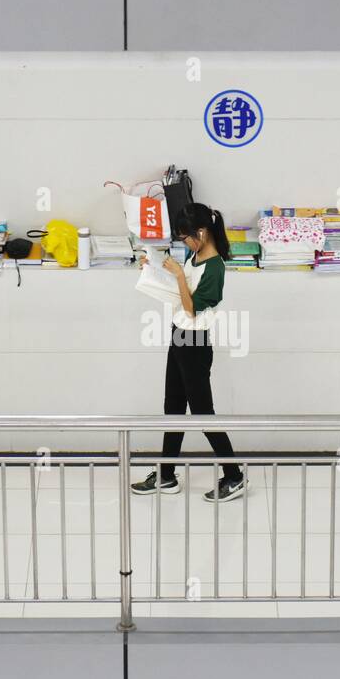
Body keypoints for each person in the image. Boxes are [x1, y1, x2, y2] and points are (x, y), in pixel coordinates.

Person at [131, 203, 247, 503]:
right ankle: (166, 475)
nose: (184, 243)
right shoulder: (195, 256)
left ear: (202, 232)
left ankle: (234, 477)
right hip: (179, 336)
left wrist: (179, 277)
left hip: (194, 342)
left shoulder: (215, 266)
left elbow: (193, 309)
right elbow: (179, 294)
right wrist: (153, 268)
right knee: (173, 408)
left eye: (185, 238)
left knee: (203, 414)